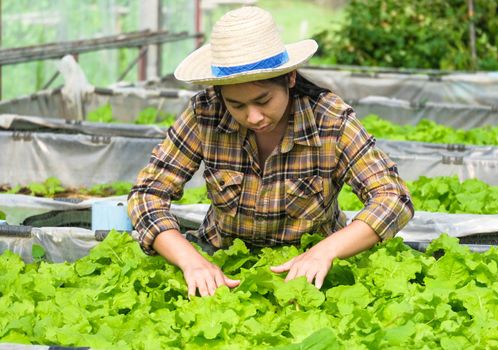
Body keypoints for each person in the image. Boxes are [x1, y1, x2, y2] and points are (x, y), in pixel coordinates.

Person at [128, 6, 414, 297]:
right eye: (236, 105)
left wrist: (324, 252)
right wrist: (192, 261)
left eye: (263, 100)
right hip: (221, 269)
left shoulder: (330, 119)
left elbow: (393, 198)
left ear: (290, 78)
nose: (253, 117)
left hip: (308, 279)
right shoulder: (206, 113)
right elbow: (147, 194)